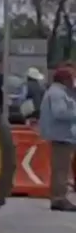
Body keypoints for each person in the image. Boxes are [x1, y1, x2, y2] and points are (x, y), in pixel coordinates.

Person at [38, 66, 76, 211]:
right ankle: (59, 199)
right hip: (61, 136)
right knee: (61, 169)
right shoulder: (58, 93)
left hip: (62, 135)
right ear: (65, 79)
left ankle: (58, 197)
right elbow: (60, 112)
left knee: (61, 169)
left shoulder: (57, 92)